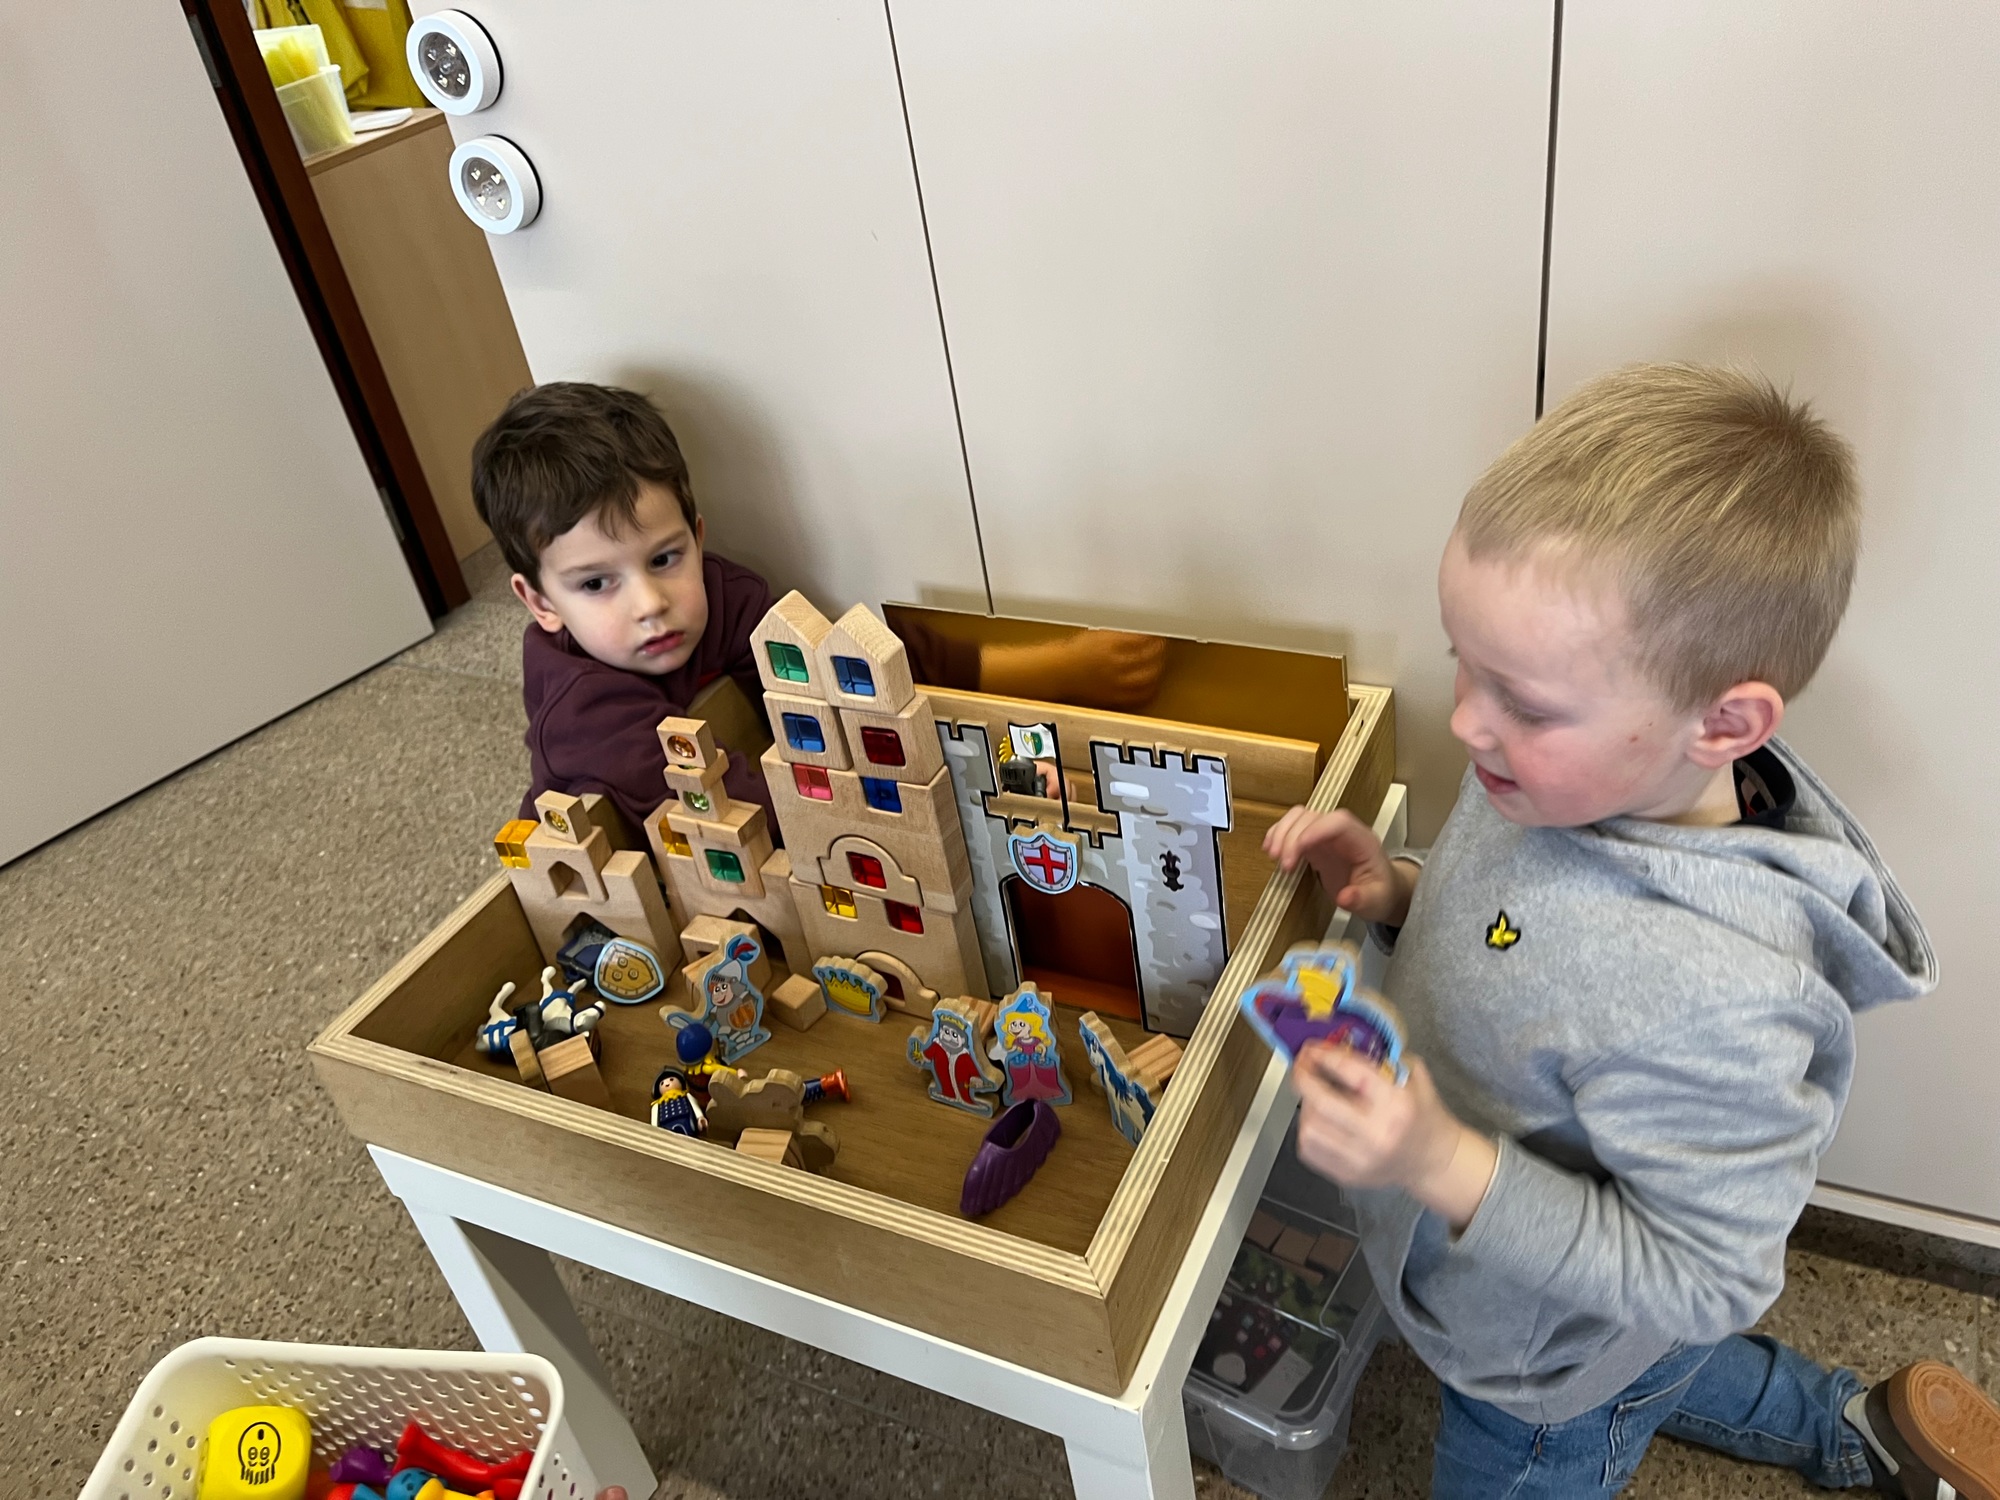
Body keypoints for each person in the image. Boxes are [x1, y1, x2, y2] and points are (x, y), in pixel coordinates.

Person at [1263, 364, 2000, 1498]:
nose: (1467, 721)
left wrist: (1440, 1162)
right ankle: (1846, 1423)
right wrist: (1403, 892)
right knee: (1654, 1366)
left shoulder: (1716, 997)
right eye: (1464, 662)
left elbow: (1706, 1281)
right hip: (1566, 1316)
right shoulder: (1556, 776)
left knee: (1636, 1369)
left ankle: (1824, 1424)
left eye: (1523, 700)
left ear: (1723, 722)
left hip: (1536, 1385)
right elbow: (1513, 928)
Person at [472, 382, 1167, 833]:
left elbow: (852, 668)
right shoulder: (583, 715)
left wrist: (1045, 679)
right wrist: (970, 788)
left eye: (663, 559)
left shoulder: (720, 595)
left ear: (697, 537)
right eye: (597, 584)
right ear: (540, 602)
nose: (650, 603)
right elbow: (746, 804)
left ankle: (1024, 698)